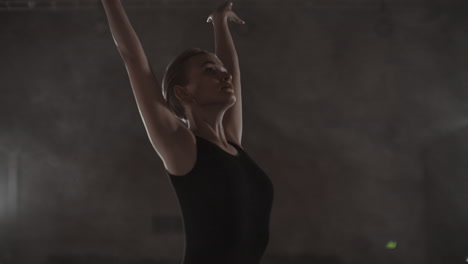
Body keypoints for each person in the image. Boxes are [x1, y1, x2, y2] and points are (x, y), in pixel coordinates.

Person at [101, 1, 274, 263]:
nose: (225, 78)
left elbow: (231, 70)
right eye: (210, 71)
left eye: (222, 72)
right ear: (183, 92)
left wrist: (219, 23)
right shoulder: (182, 145)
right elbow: (133, 58)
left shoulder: (231, 140)